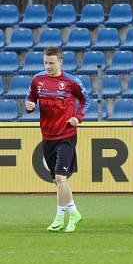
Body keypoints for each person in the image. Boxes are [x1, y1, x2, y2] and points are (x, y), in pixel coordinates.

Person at [25, 47, 90, 232]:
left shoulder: (71, 82)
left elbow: (86, 100)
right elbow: (30, 100)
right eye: (46, 62)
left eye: (52, 63)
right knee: (57, 180)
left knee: (61, 177)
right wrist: (29, 106)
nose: (48, 66)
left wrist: (78, 118)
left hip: (66, 135)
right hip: (47, 135)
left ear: (60, 62)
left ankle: (60, 217)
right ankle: (74, 212)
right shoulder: (38, 80)